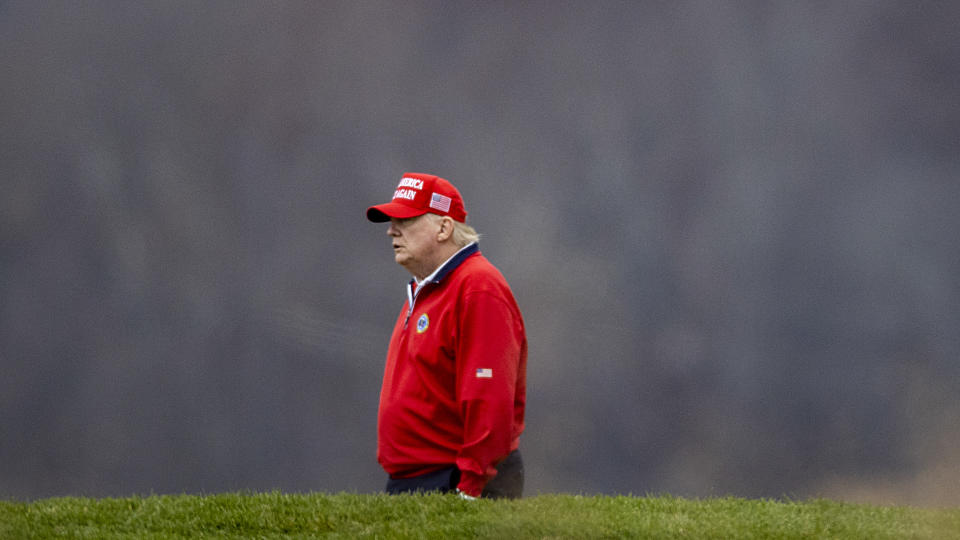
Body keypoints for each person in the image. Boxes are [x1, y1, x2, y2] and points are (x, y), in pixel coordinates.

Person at [366, 172, 527, 500]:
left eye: (406, 220)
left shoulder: (477, 288)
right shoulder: (430, 287)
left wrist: (472, 484)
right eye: (392, 221)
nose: (391, 230)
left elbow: (489, 397)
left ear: (444, 228)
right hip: (418, 480)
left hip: (456, 479)